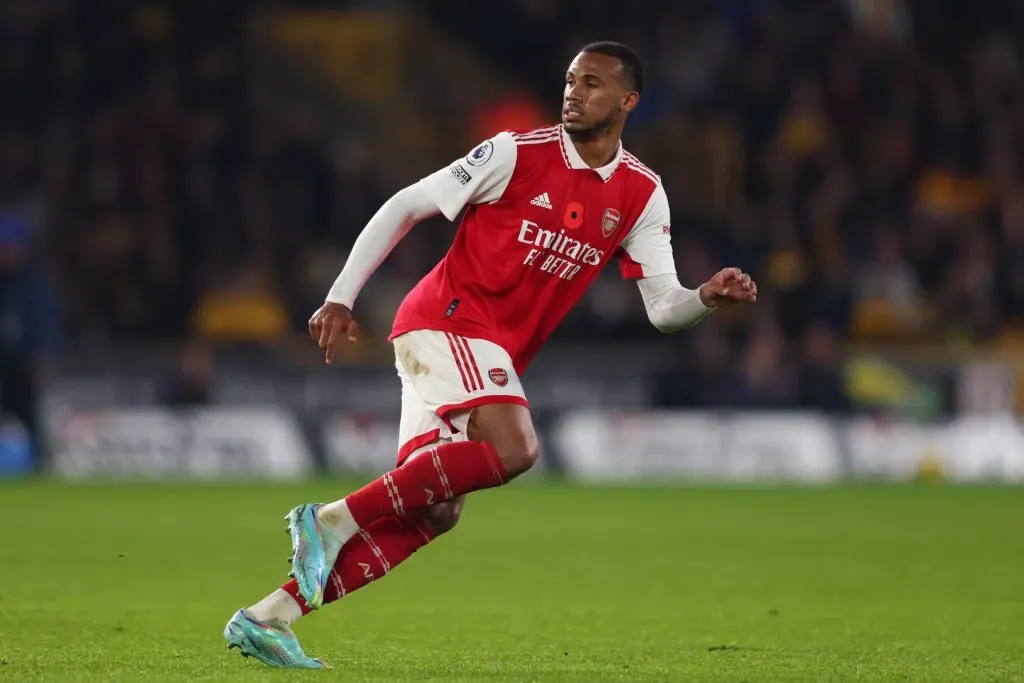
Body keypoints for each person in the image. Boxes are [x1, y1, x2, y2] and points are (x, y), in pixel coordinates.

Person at [223, 41, 758, 669]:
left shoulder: (642, 194)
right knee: (517, 448)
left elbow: (664, 308)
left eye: (591, 83)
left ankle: (269, 616)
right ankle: (329, 520)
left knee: (438, 510)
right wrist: (342, 296)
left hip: (475, 347)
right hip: (445, 322)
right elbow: (407, 204)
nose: (574, 92)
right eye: (569, 80)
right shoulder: (515, 153)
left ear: (627, 101)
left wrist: (705, 298)